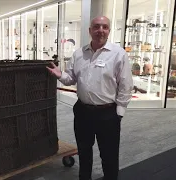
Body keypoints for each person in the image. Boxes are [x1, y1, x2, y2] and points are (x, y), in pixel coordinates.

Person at [47, 15, 133, 180]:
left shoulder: (118, 54)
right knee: (84, 152)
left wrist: (119, 113)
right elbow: (71, 78)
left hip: (108, 114)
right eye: (96, 26)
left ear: (109, 30)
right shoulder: (79, 54)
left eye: (104, 27)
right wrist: (60, 75)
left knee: (109, 156)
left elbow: (126, 85)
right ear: (90, 30)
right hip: (82, 112)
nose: (100, 30)